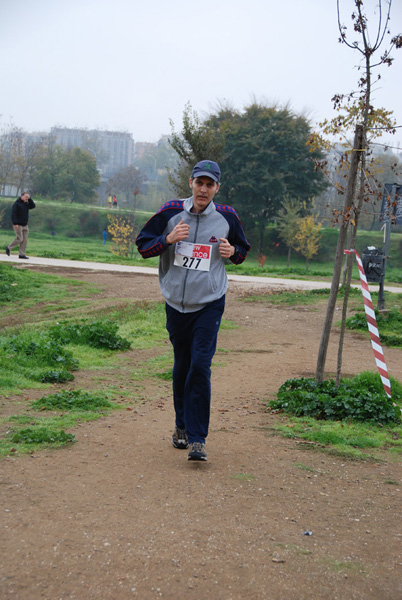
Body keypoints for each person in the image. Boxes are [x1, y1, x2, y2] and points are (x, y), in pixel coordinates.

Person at [136, 160, 250, 461]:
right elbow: (143, 246)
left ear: (217, 188)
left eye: (209, 184)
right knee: (183, 364)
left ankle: (198, 439)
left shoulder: (227, 217)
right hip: (176, 303)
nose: (203, 189)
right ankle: (181, 426)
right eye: (199, 183)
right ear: (191, 183)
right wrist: (167, 240)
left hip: (209, 303)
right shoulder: (171, 211)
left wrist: (233, 252)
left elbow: (242, 251)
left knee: (200, 365)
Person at [5, 192, 36, 259]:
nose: (26, 198)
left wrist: (29, 199)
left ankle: (22, 254)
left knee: (24, 240)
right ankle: (8, 247)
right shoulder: (17, 204)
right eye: (25, 197)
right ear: (21, 196)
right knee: (20, 239)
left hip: (25, 224)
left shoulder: (26, 204)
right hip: (18, 224)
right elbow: (13, 214)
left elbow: (33, 206)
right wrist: (15, 223)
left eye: (27, 197)